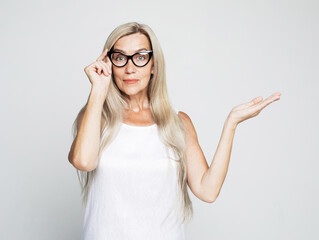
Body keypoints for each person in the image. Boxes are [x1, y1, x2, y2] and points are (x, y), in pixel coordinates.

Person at [68, 22, 281, 240]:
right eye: (120, 57)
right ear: (109, 63)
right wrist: (98, 89)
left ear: (154, 66)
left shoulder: (178, 123)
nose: (129, 68)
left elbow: (207, 190)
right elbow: (83, 162)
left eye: (140, 57)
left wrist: (231, 123)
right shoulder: (95, 117)